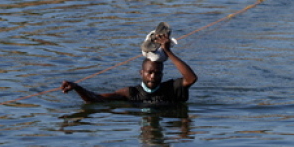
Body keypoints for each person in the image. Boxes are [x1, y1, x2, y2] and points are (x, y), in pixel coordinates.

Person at [61, 31, 197, 106]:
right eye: (149, 73)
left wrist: (168, 51)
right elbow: (96, 99)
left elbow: (191, 78)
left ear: (162, 74)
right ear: (141, 73)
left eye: (157, 73)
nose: (153, 76)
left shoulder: (171, 88)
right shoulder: (130, 93)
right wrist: (77, 88)